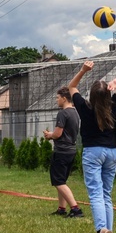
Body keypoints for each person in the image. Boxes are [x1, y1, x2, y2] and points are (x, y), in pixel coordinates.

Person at [68, 61, 116, 233]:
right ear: (109, 94)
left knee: (96, 194)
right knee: (106, 195)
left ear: (91, 96)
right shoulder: (113, 105)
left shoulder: (85, 107)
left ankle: (102, 231)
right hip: (112, 153)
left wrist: (84, 70)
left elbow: (72, 87)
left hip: (93, 152)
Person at [43, 87, 82, 218]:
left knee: (58, 181)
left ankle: (76, 209)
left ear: (64, 98)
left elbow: (58, 134)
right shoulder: (76, 113)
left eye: (57, 97)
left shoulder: (63, 113)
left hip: (61, 152)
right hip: (71, 151)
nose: (56, 100)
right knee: (62, 181)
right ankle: (61, 208)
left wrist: (50, 135)